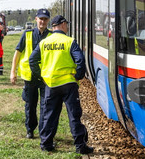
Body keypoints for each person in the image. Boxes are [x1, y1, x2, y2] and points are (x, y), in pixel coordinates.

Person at [29, 15, 93, 155]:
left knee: (49, 114)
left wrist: (41, 76)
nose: (67, 26)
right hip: (68, 85)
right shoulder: (69, 41)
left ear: (52, 26)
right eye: (67, 24)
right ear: (63, 24)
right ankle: (80, 146)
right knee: (74, 115)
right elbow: (80, 61)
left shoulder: (44, 43)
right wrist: (78, 76)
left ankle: (46, 143)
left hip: (51, 84)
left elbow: (32, 60)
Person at [10, 8, 51, 139]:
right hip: (30, 77)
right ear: (36, 19)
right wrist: (13, 72)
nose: (42, 22)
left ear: (48, 20)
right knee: (30, 105)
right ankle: (30, 129)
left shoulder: (51, 36)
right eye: (41, 19)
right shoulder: (27, 34)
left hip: (45, 77)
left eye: (45, 19)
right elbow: (17, 54)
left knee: (45, 106)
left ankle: (43, 132)